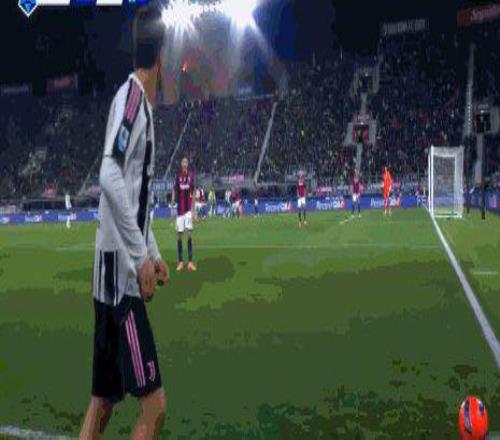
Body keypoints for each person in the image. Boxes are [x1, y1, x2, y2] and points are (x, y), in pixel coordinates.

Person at [79, 5, 169, 439]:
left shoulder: (139, 107)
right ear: (161, 56)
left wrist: (153, 252)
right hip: (120, 282)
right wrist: (139, 259)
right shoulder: (133, 99)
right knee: (154, 407)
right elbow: (108, 174)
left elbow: (132, 199)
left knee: (103, 401)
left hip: (113, 270)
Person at [172, 157, 196, 272]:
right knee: (179, 236)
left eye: (186, 162)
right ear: (181, 164)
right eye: (183, 162)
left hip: (188, 211)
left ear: (187, 164)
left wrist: (193, 210)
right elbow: (174, 189)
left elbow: (193, 192)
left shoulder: (191, 176)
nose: (185, 164)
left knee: (189, 234)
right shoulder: (178, 176)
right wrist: (172, 201)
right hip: (179, 211)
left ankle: (190, 262)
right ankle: (180, 262)